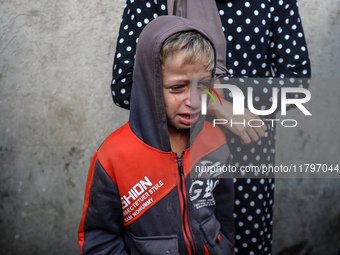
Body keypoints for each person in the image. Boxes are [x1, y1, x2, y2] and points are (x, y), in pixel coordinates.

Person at [110, 1, 311, 254]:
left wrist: (219, 92)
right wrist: (213, 102)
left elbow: (296, 84)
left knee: (244, 245)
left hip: (245, 160)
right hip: (174, 158)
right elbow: (126, 86)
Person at [78, 16, 235, 254]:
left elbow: (224, 213)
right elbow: (99, 239)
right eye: (177, 87)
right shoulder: (113, 157)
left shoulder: (216, 142)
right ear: (149, 86)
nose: (193, 101)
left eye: (202, 85)